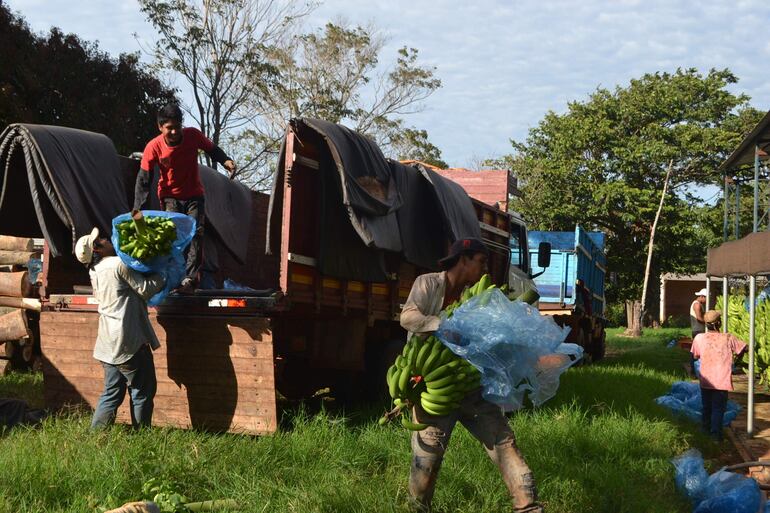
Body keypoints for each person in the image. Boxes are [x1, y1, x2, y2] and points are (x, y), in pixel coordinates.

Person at [400, 238, 543, 513]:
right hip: (434, 387)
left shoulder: (477, 295)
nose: (485, 267)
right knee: (428, 456)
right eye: (481, 260)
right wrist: (442, 326)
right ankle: (417, 508)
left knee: (503, 442)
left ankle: (528, 507)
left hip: (470, 385)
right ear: (463, 259)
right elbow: (407, 317)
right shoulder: (428, 283)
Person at [133, 103, 237, 293]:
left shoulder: (192, 135)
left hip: (194, 195)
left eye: (177, 127)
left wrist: (225, 160)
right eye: (169, 128)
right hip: (170, 197)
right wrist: (138, 212)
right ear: (160, 127)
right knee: (175, 236)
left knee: (195, 234)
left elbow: (211, 148)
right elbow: (143, 182)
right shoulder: (153, 147)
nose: (174, 132)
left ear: (182, 125)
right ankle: (172, 277)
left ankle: (190, 280)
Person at [75, 227, 166, 429]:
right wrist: (164, 274)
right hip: (128, 341)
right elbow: (144, 289)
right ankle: (141, 436)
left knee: (112, 392)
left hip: (107, 342)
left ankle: (96, 436)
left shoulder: (94, 270)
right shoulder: (118, 264)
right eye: (101, 240)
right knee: (142, 390)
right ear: (97, 250)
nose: (107, 239)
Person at [690, 310, 746, 441]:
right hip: (721, 380)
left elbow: (695, 355)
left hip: (706, 379)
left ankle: (705, 431)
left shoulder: (699, 338)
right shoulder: (728, 337)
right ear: (719, 323)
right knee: (718, 408)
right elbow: (743, 348)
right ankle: (715, 436)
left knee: (707, 406)